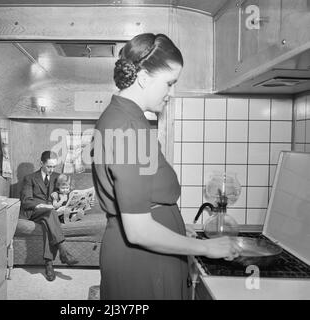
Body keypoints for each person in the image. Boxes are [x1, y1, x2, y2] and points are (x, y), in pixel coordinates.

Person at [91, 33, 242, 300]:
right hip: (143, 263)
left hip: (145, 259)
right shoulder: (127, 127)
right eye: (169, 83)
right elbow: (138, 230)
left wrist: (174, 227)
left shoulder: (125, 118)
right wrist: (205, 248)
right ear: (145, 77)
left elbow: (142, 200)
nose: (171, 93)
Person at [20, 151, 78, 282]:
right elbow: (26, 201)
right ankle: (63, 250)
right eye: (49, 167)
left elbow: (68, 192)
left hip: (50, 214)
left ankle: (49, 265)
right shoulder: (29, 178)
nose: (52, 170)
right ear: (41, 163)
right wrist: (43, 205)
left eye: (54, 167)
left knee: (48, 222)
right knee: (50, 212)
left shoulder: (58, 177)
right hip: (35, 212)